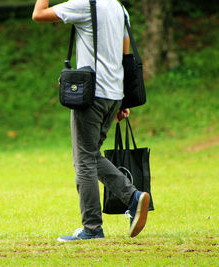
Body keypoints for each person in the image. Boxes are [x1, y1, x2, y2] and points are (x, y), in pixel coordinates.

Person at [32, 0, 150, 241]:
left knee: (83, 161)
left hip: (91, 94)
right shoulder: (119, 7)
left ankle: (92, 228)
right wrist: (124, 100)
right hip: (114, 95)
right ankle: (133, 198)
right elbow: (125, 55)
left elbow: (39, 14)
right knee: (92, 154)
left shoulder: (84, 5)